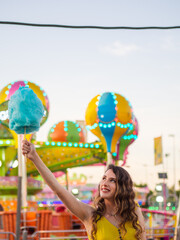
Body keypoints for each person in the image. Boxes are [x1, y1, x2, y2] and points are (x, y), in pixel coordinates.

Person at [22, 139, 146, 240]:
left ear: (123, 187)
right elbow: (58, 189)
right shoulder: (90, 215)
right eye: (104, 178)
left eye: (112, 180)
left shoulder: (133, 210)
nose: (105, 183)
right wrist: (34, 157)